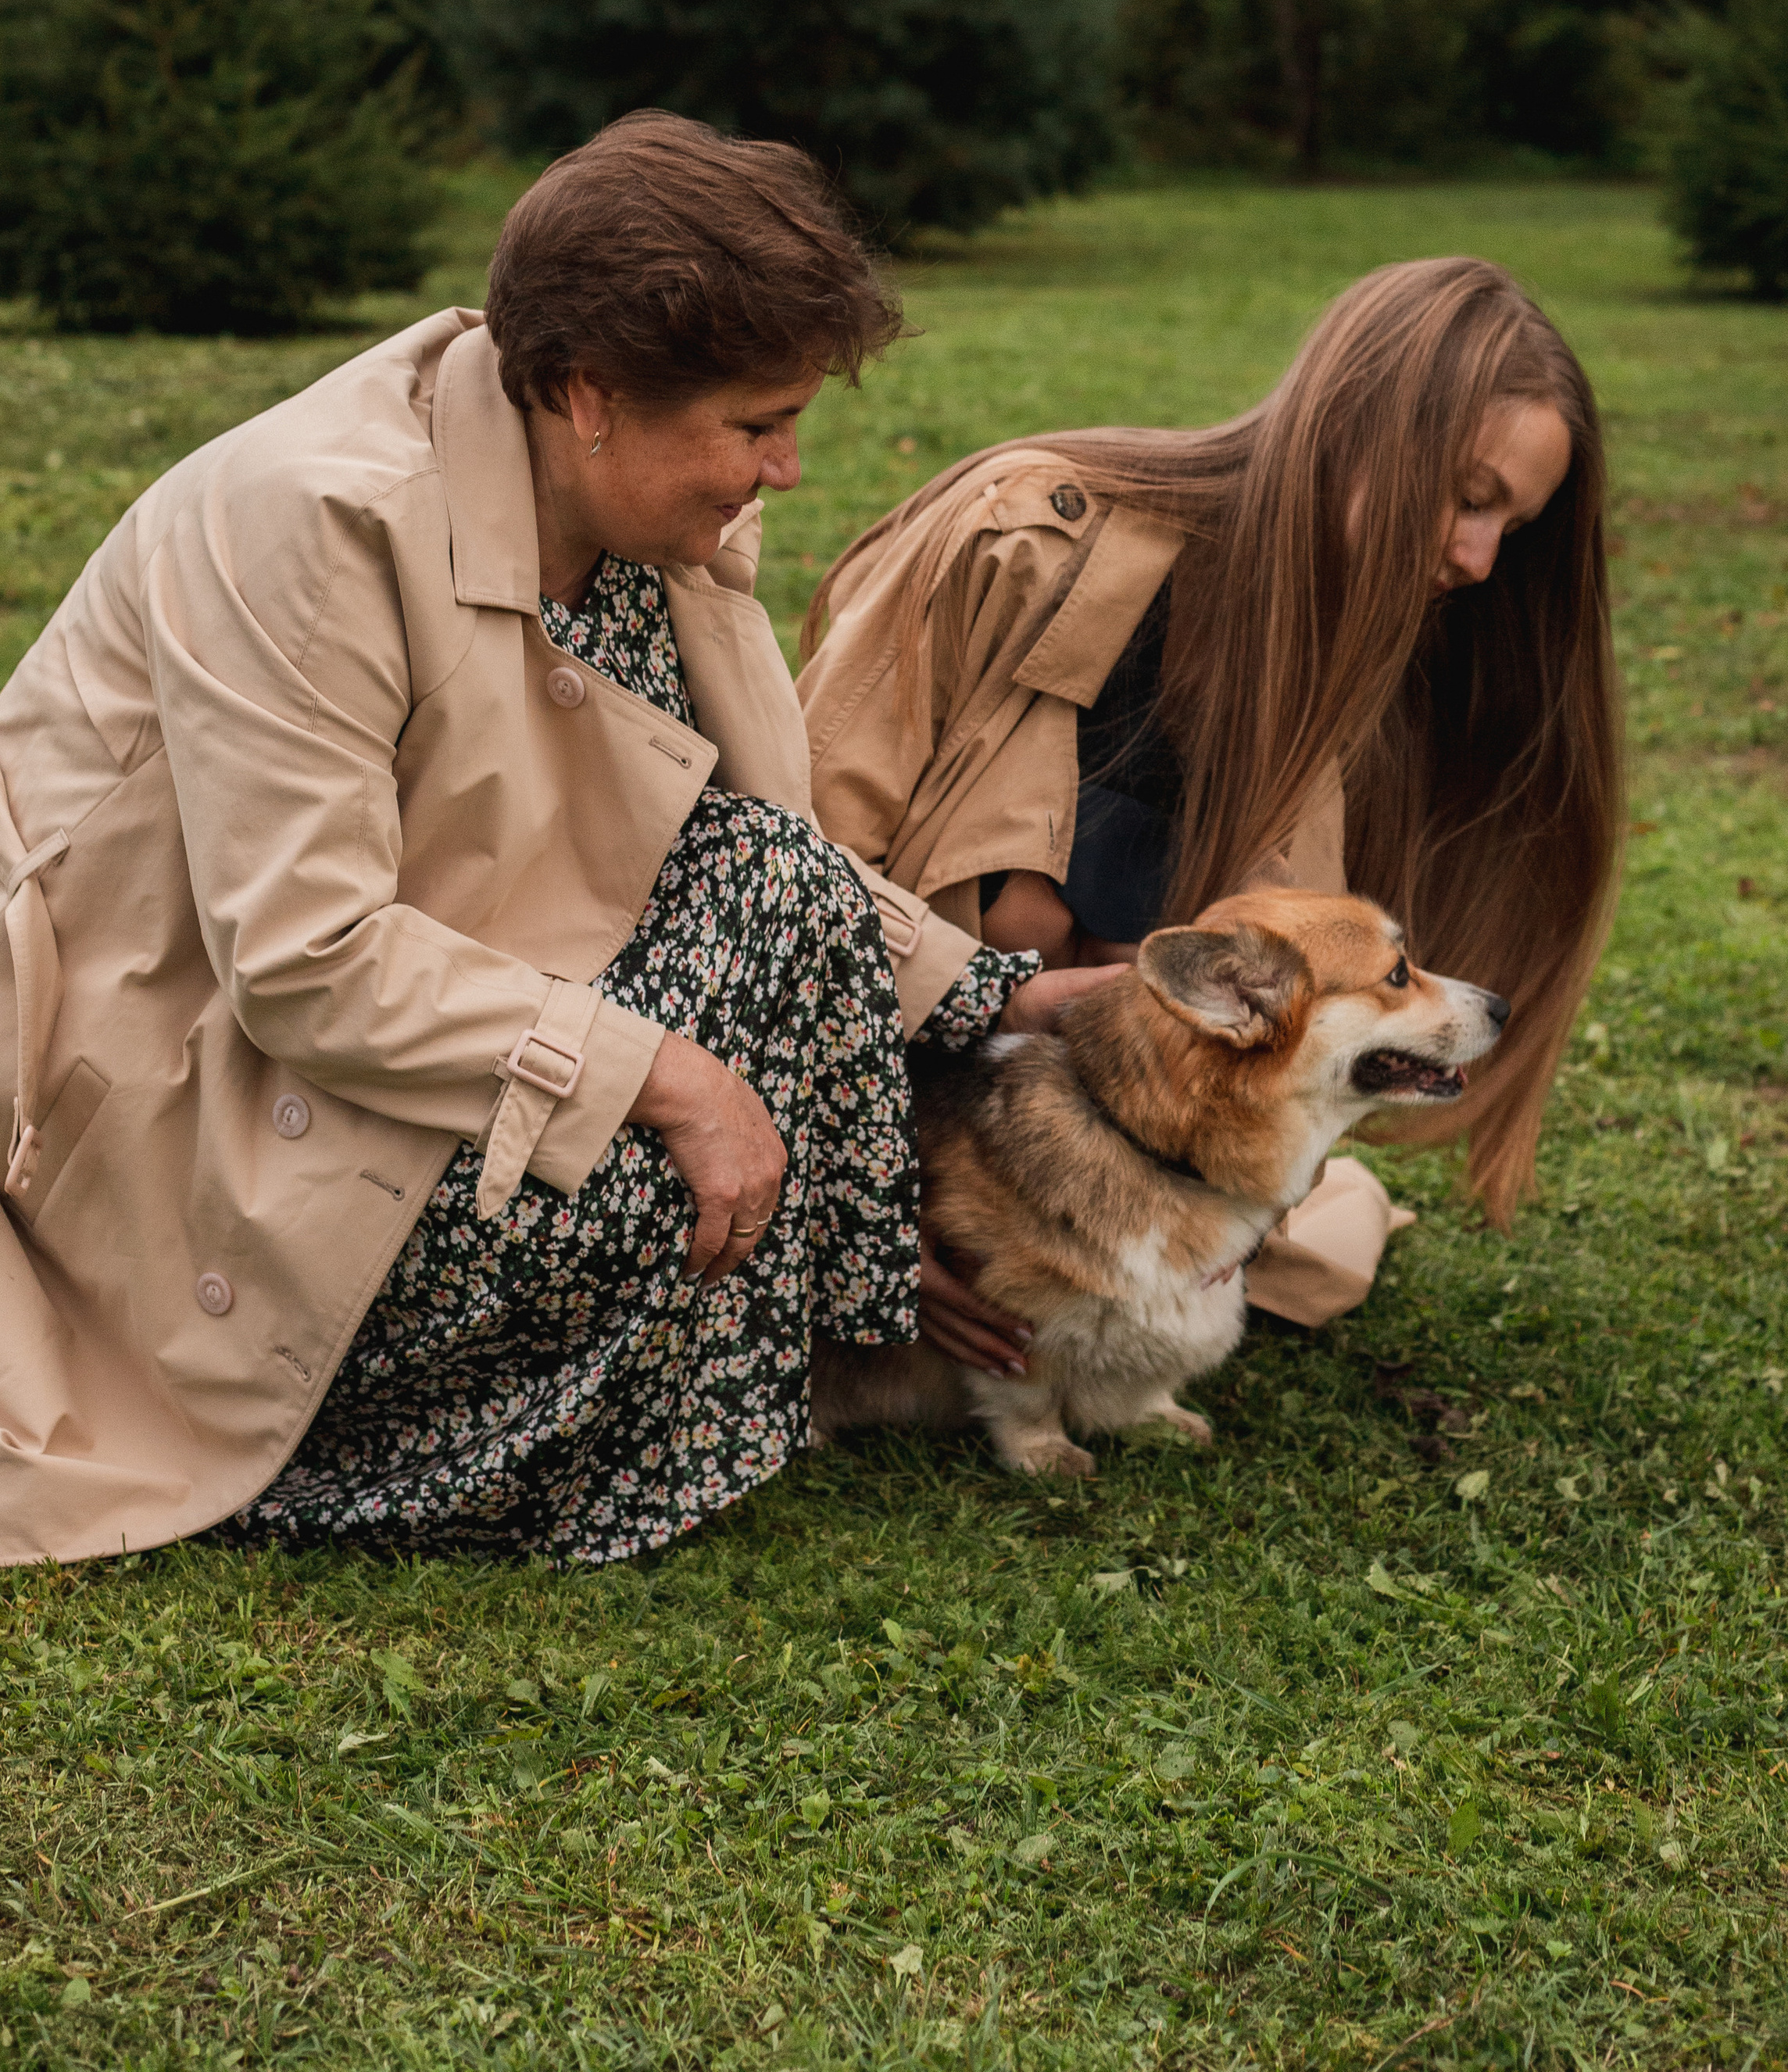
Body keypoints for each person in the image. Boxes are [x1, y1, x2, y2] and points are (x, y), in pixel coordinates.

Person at [0, 113, 1089, 1569]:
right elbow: (305, 959)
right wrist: (667, 1079)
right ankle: (349, 1465)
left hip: (440, 988)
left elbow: (735, 850)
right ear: (587, 390)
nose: (784, 469)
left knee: (772, 920)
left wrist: (995, 998)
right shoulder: (308, 521)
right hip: (181, 1084)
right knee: (635, 1200)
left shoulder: (632, 513)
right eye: (757, 423)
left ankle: (814, 1319)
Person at [800, 256, 1622, 1348]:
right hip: (878, 1134)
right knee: (1025, 917)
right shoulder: (1022, 531)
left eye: (1509, 532)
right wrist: (851, 1223)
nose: (1478, 559)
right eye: (1468, 498)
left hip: (1080, 1229)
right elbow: (779, 874)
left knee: (1304, 1271)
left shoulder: (1346, 690)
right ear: (1353, 422)